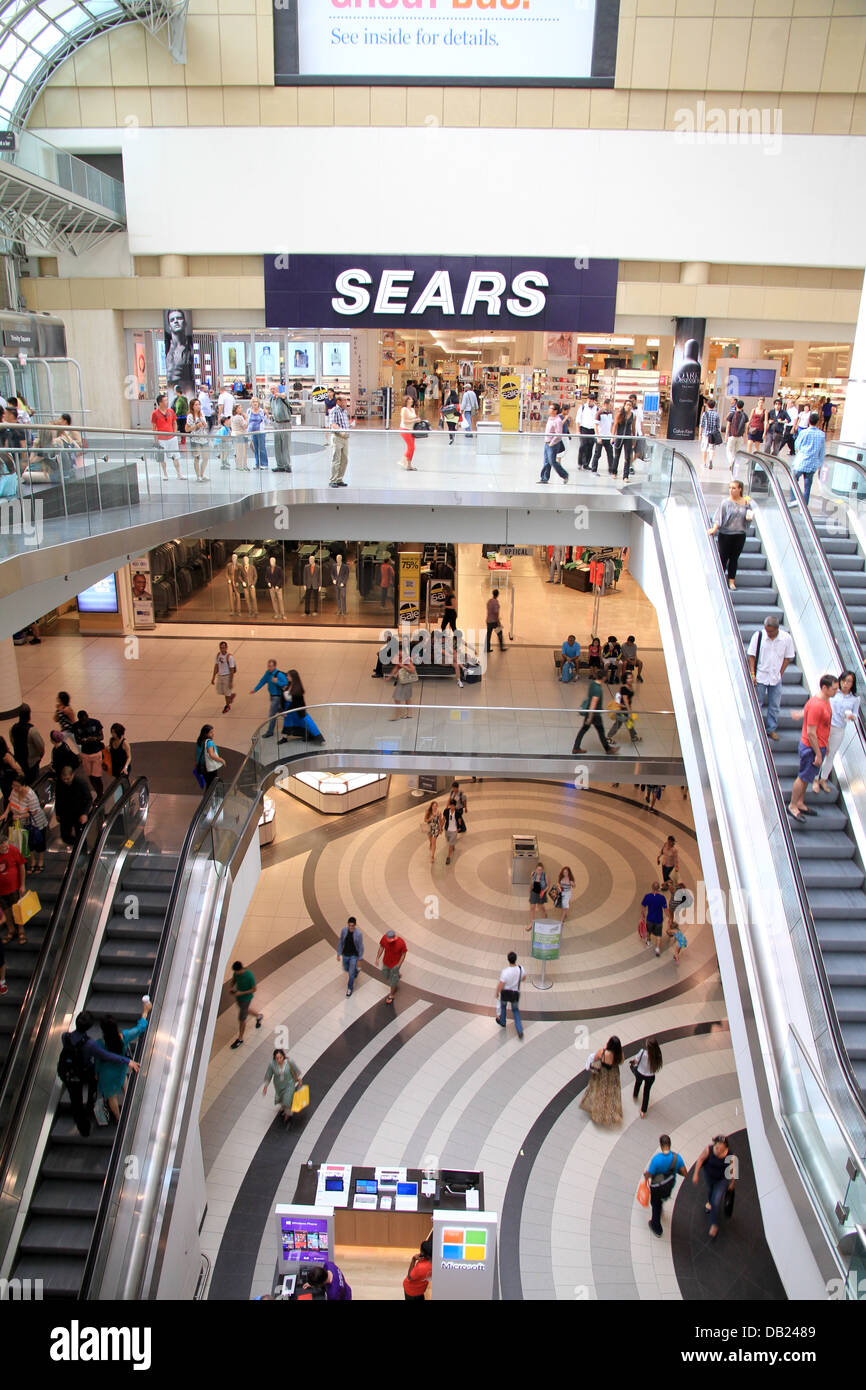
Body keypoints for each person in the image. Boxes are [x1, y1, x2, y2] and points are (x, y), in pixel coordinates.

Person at [58, 1010, 141, 1138]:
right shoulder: (91, 1044)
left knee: (76, 1102)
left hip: (68, 1073)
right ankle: (92, 1104)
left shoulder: (65, 1036)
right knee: (96, 1086)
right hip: (84, 1071)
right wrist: (127, 1060)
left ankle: (84, 1129)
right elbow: (106, 1056)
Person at [788, 674, 838, 821]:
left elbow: (823, 726)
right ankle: (792, 805)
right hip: (811, 748)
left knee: (807, 777)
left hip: (819, 745)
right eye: (834, 689)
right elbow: (811, 732)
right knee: (803, 777)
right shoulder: (817, 705)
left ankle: (800, 802)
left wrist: (825, 744)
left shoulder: (825, 701)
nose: (836, 691)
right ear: (824, 688)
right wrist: (818, 753)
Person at [96, 1001, 151, 1122]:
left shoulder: (99, 1044)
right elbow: (140, 1028)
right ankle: (131, 1100)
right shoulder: (124, 1037)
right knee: (124, 1081)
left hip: (107, 1075)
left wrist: (96, 1073)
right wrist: (145, 1011)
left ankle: (118, 1117)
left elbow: (98, 1061)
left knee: (112, 1098)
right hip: (121, 1067)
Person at [747, 615, 795, 740]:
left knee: (774, 705)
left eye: (770, 631)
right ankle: (754, 728)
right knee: (757, 703)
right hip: (761, 675)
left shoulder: (786, 639)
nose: (768, 633)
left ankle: (771, 729)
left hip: (775, 677)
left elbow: (788, 658)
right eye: (766, 630)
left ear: (777, 629)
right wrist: (753, 674)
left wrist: (780, 673)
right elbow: (751, 655)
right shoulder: (759, 636)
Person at [817, 669, 859, 792]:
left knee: (831, 754)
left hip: (839, 728)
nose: (845, 684)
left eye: (849, 682)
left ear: (852, 684)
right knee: (820, 751)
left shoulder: (855, 699)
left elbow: (855, 715)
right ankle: (814, 778)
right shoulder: (833, 693)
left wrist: (852, 717)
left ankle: (823, 779)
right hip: (826, 726)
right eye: (844, 681)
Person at [708, 479, 752, 589]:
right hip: (726, 534)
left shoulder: (746, 503)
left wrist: (748, 517)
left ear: (740, 489)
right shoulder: (725, 502)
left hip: (739, 534)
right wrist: (714, 528)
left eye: (734, 488)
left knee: (734, 558)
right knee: (723, 558)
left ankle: (731, 581)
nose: (731, 490)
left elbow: (749, 517)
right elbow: (719, 517)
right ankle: (721, 580)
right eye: (730, 488)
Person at [692, 1135, 735, 1239]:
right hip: (709, 1177)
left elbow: (733, 1170)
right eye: (717, 1147)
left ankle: (713, 1224)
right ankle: (709, 1202)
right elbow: (700, 1160)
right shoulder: (709, 1150)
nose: (718, 1150)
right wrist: (696, 1173)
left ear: (726, 1147)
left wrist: (732, 1183)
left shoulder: (730, 1155)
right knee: (710, 1191)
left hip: (722, 1180)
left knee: (716, 1201)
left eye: (721, 1148)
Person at [644, 1133, 687, 1237]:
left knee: (655, 1205)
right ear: (670, 1144)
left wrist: (645, 1176)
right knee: (659, 1201)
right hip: (668, 1187)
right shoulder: (677, 1158)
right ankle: (660, 1206)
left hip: (657, 1188)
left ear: (661, 1145)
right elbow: (685, 1173)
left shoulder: (656, 1160)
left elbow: (650, 1174)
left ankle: (656, 1227)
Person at [4, 773, 48, 873]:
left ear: (23, 785)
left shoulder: (31, 795)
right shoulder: (14, 791)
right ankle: (32, 861)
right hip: (21, 823)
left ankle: (40, 861)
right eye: (13, 785)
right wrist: (6, 813)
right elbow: (11, 802)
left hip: (36, 823)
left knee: (38, 842)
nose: (14, 787)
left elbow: (33, 812)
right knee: (27, 842)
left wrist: (19, 816)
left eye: (16, 786)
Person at [580, 1035, 623, 1125]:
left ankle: (597, 1114)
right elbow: (621, 1061)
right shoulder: (620, 1055)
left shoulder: (603, 1052)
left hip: (602, 1075)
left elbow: (595, 1058)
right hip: (613, 1075)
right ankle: (609, 1112)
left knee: (599, 1093)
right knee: (610, 1094)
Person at [571, 671, 615, 755]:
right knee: (600, 731)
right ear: (604, 677)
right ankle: (608, 749)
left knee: (584, 729)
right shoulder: (598, 689)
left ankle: (576, 748)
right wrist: (589, 717)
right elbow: (593, 703)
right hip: (594, 714)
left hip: (591, 712)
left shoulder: (592, 684)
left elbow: (590, 698)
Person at [279, 670, 325, 744]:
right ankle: (284, 738)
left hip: (296, 710)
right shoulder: (288, 685)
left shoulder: (298, 689)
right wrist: (283, 710)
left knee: (306, 723)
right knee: (287, 723)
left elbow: (296, 703)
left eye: (288, 676)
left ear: (293, 677)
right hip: (289, 709)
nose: (287, 677)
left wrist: (286, 711)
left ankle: (317, 738)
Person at [55, 762, 93, 849]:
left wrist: (84, 813)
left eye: (67, 779)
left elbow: (88, 799)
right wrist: (58, 812)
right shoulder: (59, 783)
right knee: (65, 836)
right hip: (65, 814)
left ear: (73, 775)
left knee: (81, 836)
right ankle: (77, 846)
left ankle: (82, 851)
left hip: (79, 814)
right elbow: (58, 799)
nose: (65, 781)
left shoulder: (81, 783)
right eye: (63, 779)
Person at [792, 411, 825, 507]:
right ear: (818, 422)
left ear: (808, 421)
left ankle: (793, 500)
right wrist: (820, 464)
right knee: (807, 486)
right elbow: (822, 451)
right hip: (812, 463)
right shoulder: (821, 434)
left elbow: (797, 445)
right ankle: (804, 506)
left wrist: (798, 452)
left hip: (801, 462)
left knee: (793, 480)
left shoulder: (803, 432)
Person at [229, 959, 263, 1048]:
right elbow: (233, 980)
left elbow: (254, 989)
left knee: (242, 1019)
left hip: (246, 999)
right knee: (245, 1010)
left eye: (237, 971)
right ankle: (259, 1016)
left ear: (241, 969)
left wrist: (241, 993)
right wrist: (231, 987)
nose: (236, 973)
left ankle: (240, 1039)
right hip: (239, 998)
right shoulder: (236, 973)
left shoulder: (249, 976)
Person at [0, 827, 27, 943]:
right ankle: (11, 930)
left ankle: (21, 930)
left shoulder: (13, 850)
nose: (6, 847)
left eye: (6, 845)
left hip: (14, 888)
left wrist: (22, 885)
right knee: (6, 910)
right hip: (1, 890)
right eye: (3, 846)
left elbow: (21, 867)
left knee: (17, 909)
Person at [262, 1048, 302, 1124]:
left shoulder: (289, 1062)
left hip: (289, 1085)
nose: (279, 1060)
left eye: (280, 1057)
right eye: (277, 1058)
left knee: (287, 1099)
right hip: (278, 1086)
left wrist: (298, 1079)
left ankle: (288, 1114)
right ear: (274, 1058)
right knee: (281, 1098)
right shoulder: (272, 1064)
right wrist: (265, 1087)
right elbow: (268, 1075)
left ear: (283, 1056)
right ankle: (284, 1108)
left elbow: (296, 1070)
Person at [250, 659, 289, 737]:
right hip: (272, 696)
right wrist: (255, 689)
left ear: (275, 666)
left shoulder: (279, 674)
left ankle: (270, 732)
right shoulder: (267, 673)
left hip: (277, 697)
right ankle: (289, 718)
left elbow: (286, 683)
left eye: (271, 666)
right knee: (280, 710)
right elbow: (262, 681)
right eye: (268, 666)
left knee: (272, 714)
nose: (269, 668)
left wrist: (277, 682)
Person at [151, 393, 183, 480]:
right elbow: (154, 427)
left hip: (171, 437)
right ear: (160, 403)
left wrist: (175, 433)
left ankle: (179, 473)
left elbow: (174, 422)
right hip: (161, 439)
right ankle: (165, 474)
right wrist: (156, 439)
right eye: (165, 400)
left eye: (167, 400)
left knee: (175, 456)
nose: (167, 402)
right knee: (162, 457)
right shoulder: (155, 413)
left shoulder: (171, 411)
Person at [73, 709, 105, 796]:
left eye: (85, 719)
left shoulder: (95, 723)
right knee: (90, 776)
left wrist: (94, 739)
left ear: (87, 716)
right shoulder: (76, 726)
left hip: (96, 752)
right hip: (85, 753)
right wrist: (83, 740)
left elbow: (101, 736)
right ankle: (97, 791)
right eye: (82, 721)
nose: (84, 722)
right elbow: (77, 741)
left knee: (97, 776)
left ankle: (100, 794)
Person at [9, 703, 44, 785]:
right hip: (32, 762)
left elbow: (12, 741)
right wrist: (39, 756)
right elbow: (40, 746)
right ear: (29, 715)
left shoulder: (12, 728)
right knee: (34, 782)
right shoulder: (32, 730)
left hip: (19, 760)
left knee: (23, 781)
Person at [631, 1037, 663, 1119]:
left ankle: (635, 1095)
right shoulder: (657, 1056)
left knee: (638, 1083)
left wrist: (632, 1062)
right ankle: (643, 1111)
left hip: (640, 1073)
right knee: (646, 1092)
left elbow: (636, 1060)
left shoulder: (643, 1053)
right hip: (650, 1076)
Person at [496, 950, 525, 1038]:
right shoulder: (520, 969)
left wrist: (497, 992)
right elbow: (523, 978)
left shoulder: (505, 971)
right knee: (515, 1011)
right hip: (515, 993)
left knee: (503, 1007)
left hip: (505, 993)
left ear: (508, 960)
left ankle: (503, 1022)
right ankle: (519, 1030)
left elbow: (501, 984)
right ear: (515, 959)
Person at [376, 928, 407, 1006]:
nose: (389, 942)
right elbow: (381, 947)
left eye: (391, 941)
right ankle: (397, 975)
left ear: (394, 937)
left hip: (395, 965)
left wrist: (398, 965)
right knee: (385, 975)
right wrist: (377, 957)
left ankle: (391, 995)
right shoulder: (384, 938)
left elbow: (403, 954)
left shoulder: (401, 942)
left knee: (393, 981)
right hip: (386, 962)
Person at [538, 402, 567, 484]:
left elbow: (558, 434)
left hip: (553, 444)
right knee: (546, 461)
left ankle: (564, 475)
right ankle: (544, 478)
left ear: (555, 411)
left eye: (550, 408)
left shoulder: (558, 421)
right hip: (547, 443)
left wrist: (552, 442)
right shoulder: (550, 418)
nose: (549, 410)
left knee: (552, 461)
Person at [328, 393, 352, 487]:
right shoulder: (334, 411)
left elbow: (345, 423)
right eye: (344, 400)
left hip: (345, 438)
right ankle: (333, 480)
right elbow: (333, 424)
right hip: (337, 438)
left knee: (344, 459)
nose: (346, 402)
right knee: (336, 459)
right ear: (338, 401)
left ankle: (339, 479)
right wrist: (341, 432)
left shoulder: (344, 412)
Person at [337, 916, 364, 996]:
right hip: (345, 954)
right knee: (345, 968)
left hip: (353, 955)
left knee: (351, 974)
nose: (351, 927)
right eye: (349, 925)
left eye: (352, 926)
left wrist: (360, 958)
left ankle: (350, 988)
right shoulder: (344, 931)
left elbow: (360, 946)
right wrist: (338, 953)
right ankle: (356, 971)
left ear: (355, 925)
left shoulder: (358, 934)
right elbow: (341, 942)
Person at [269, 385, 293, 473]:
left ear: (277, 389)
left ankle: (287, 465)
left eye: (274, 389)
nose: (272, 390)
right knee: (277, 445)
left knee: (285, 445)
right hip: (276, 424)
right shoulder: (271, 400)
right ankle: (280, 465)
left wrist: (278, 394)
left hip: (285, 423)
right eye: (271, 389)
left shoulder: (282, 397)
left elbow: (283, 396)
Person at [185, 397, 210, 482]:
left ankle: (202, 474)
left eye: (199, 404)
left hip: (203, 437)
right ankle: (198, 475)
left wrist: (203, 424)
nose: (198, 406)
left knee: (205, 457)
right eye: (196, 405)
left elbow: (205, 425)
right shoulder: (190, 416)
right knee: (197, 457)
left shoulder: (202, 414)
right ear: (192, 406)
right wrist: (196, 426)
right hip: (195, 439)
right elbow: (187, 429)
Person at [641, 880, 668, 957]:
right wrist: (669, 918)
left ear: (652, 888)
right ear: (659, 888)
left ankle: (648, 941)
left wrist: (643, 915)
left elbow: (643, 906)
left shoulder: (647, 896)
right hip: (659, 920)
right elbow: (665, 910)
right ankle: (657, 950)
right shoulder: (662, 898)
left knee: (648, 931)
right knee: (659, 935)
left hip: (650, 919)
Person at [195, 724, 225, 789]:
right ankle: (208, 798)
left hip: (201, 766)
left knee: (208, 784)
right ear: (206, 734)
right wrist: (221, 760)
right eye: (211, 732)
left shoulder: (199, 741)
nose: (213, 734)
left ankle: (208, 798)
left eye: (213, 732)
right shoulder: (209, 742)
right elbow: (212, 755)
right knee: (212, 785)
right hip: (209, 767)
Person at [389, 653, 418, 720]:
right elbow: (395, 669)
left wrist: (403, 666)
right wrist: (389, 677)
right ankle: (409, 714)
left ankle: (397, 714)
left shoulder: (406, 660)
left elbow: (413, 669)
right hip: (402, 681)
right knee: (407, 698)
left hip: (405, 682)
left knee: (397, 698)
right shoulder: (400, 661)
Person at [590, 397, 615, 474]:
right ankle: (594, 469)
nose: (611, 407)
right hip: (601, 437)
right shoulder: (599, 413)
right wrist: (598, 437)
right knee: (597, 454)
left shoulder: (611, 413)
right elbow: (596, 426)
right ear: (605, 404)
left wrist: (612, 436)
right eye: (610, 405)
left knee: (610, 455)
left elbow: (612, 425)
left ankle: (611, 470)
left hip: (608, 437)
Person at [612, 400, 635, 481]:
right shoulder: (619, 414)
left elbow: (633, 427)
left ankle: (625, 476)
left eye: (630, 405)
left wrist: (634, 438)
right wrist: (613, 437)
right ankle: (614, 472)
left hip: (628, 437)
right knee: (617, 456)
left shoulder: (632, 415)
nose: (628, 406)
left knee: (627, 457)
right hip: (619, 436)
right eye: (627, 405)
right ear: (624, 405)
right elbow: (615, 426)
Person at [212, 640, 237, 712]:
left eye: (224, 647)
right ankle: (230, 697)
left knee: (226, 693)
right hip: (220, 676)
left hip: (227, 676)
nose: (222, 649)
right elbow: (216, 666)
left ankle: (227, 706)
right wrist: (213, 677)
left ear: (226, 648)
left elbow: (232, 670)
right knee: (220, 691)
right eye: (221, 648)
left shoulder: (229, 657)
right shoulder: (218, 655)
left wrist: (231, 681)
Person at [725, 398, 748, 470]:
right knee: (736, 451)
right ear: (743, 406)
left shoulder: (732, 414)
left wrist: (726, 435)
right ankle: (735, 464)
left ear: (736, 405)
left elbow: (728, 425)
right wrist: (745, 436)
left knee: (729, 450)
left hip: (732, 435)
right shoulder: (745, 415)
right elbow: (746, 427)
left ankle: (731, 461)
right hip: (740, 436)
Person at [699, 396, 722, 469]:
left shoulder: (704, 414)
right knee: (712, 448)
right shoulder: (716, 414)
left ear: (707, 405)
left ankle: (704, 463)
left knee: (704, 449)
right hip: (713, 434)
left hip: (705, 434)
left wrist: (700, 434)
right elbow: (718, 426)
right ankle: (711, 460)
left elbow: (701, 425)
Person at [577, 397, 597, 470]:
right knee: (583, 445)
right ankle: (580, 462)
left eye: (591, 400)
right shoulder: (582, 408)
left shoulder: (596, 409)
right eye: (588, 400)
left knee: (590, 447)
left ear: (594, 401)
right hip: (584, 429)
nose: (589, 402)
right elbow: (578, 420)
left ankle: (586, 464)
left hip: (592, 430)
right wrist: (578, 430)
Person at [526, 861, 547, 930]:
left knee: (540, 908)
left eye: (541, 870)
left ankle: (544, 920)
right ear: (535, 869)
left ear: (542, 869)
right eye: (538, 869)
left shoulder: (545, 876)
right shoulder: (533, 874)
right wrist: (529, 890)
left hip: (541, 893)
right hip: (534, 892)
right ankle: (531, 922)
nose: (539, 871)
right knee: (532, 907)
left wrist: (543, 892)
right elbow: (531, 882)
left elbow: (548, 886)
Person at [399, 395, 418, 471]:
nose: (412, 400)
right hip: (404, 429)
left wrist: (417, 419)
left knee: (412, 448)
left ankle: (409, 465)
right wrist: (414, 420)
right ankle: (403, 461)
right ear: (406, 401)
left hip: (411, 430)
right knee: (411, 447)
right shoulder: (404, 409)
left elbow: (414, 418)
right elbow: (405, 421)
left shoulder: (413, 409)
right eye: (410, 399)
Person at [230, 403, 249, 471]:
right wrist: (246, 418)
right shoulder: (239, 417)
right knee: (242, 452)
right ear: (236, 410)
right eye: (239, 408)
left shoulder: (232, 417)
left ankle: (238, 465)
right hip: (240, 435)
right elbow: (245, 425)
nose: (241, 409)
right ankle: (243, 466)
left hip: (234, 435)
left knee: (237, 451)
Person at [423, 800, 442, 864]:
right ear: (431, 806)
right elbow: (425, 820)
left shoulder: (439, 813)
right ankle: (430, 843)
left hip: (435, 828)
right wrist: (430, 818)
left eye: (436, 806)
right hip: (428, 828)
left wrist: (441, 829)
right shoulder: (428, 811)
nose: (435, 807)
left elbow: (440, 821)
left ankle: (432, 856)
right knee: (430, 840)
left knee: (434, 842)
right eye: (434, 806)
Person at [442, 799, 460, 866]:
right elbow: (443, 819)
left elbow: (459, 820)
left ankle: (448, 857)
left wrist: (458, 827)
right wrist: (441, 827)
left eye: (453, 806)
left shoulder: (457, 812)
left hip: (454, 830)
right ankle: (453, 845)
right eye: (451, 805)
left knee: (450, 844)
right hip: (447, 830)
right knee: (448, 840)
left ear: (455, 806)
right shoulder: (446, 811)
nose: (452, 807)